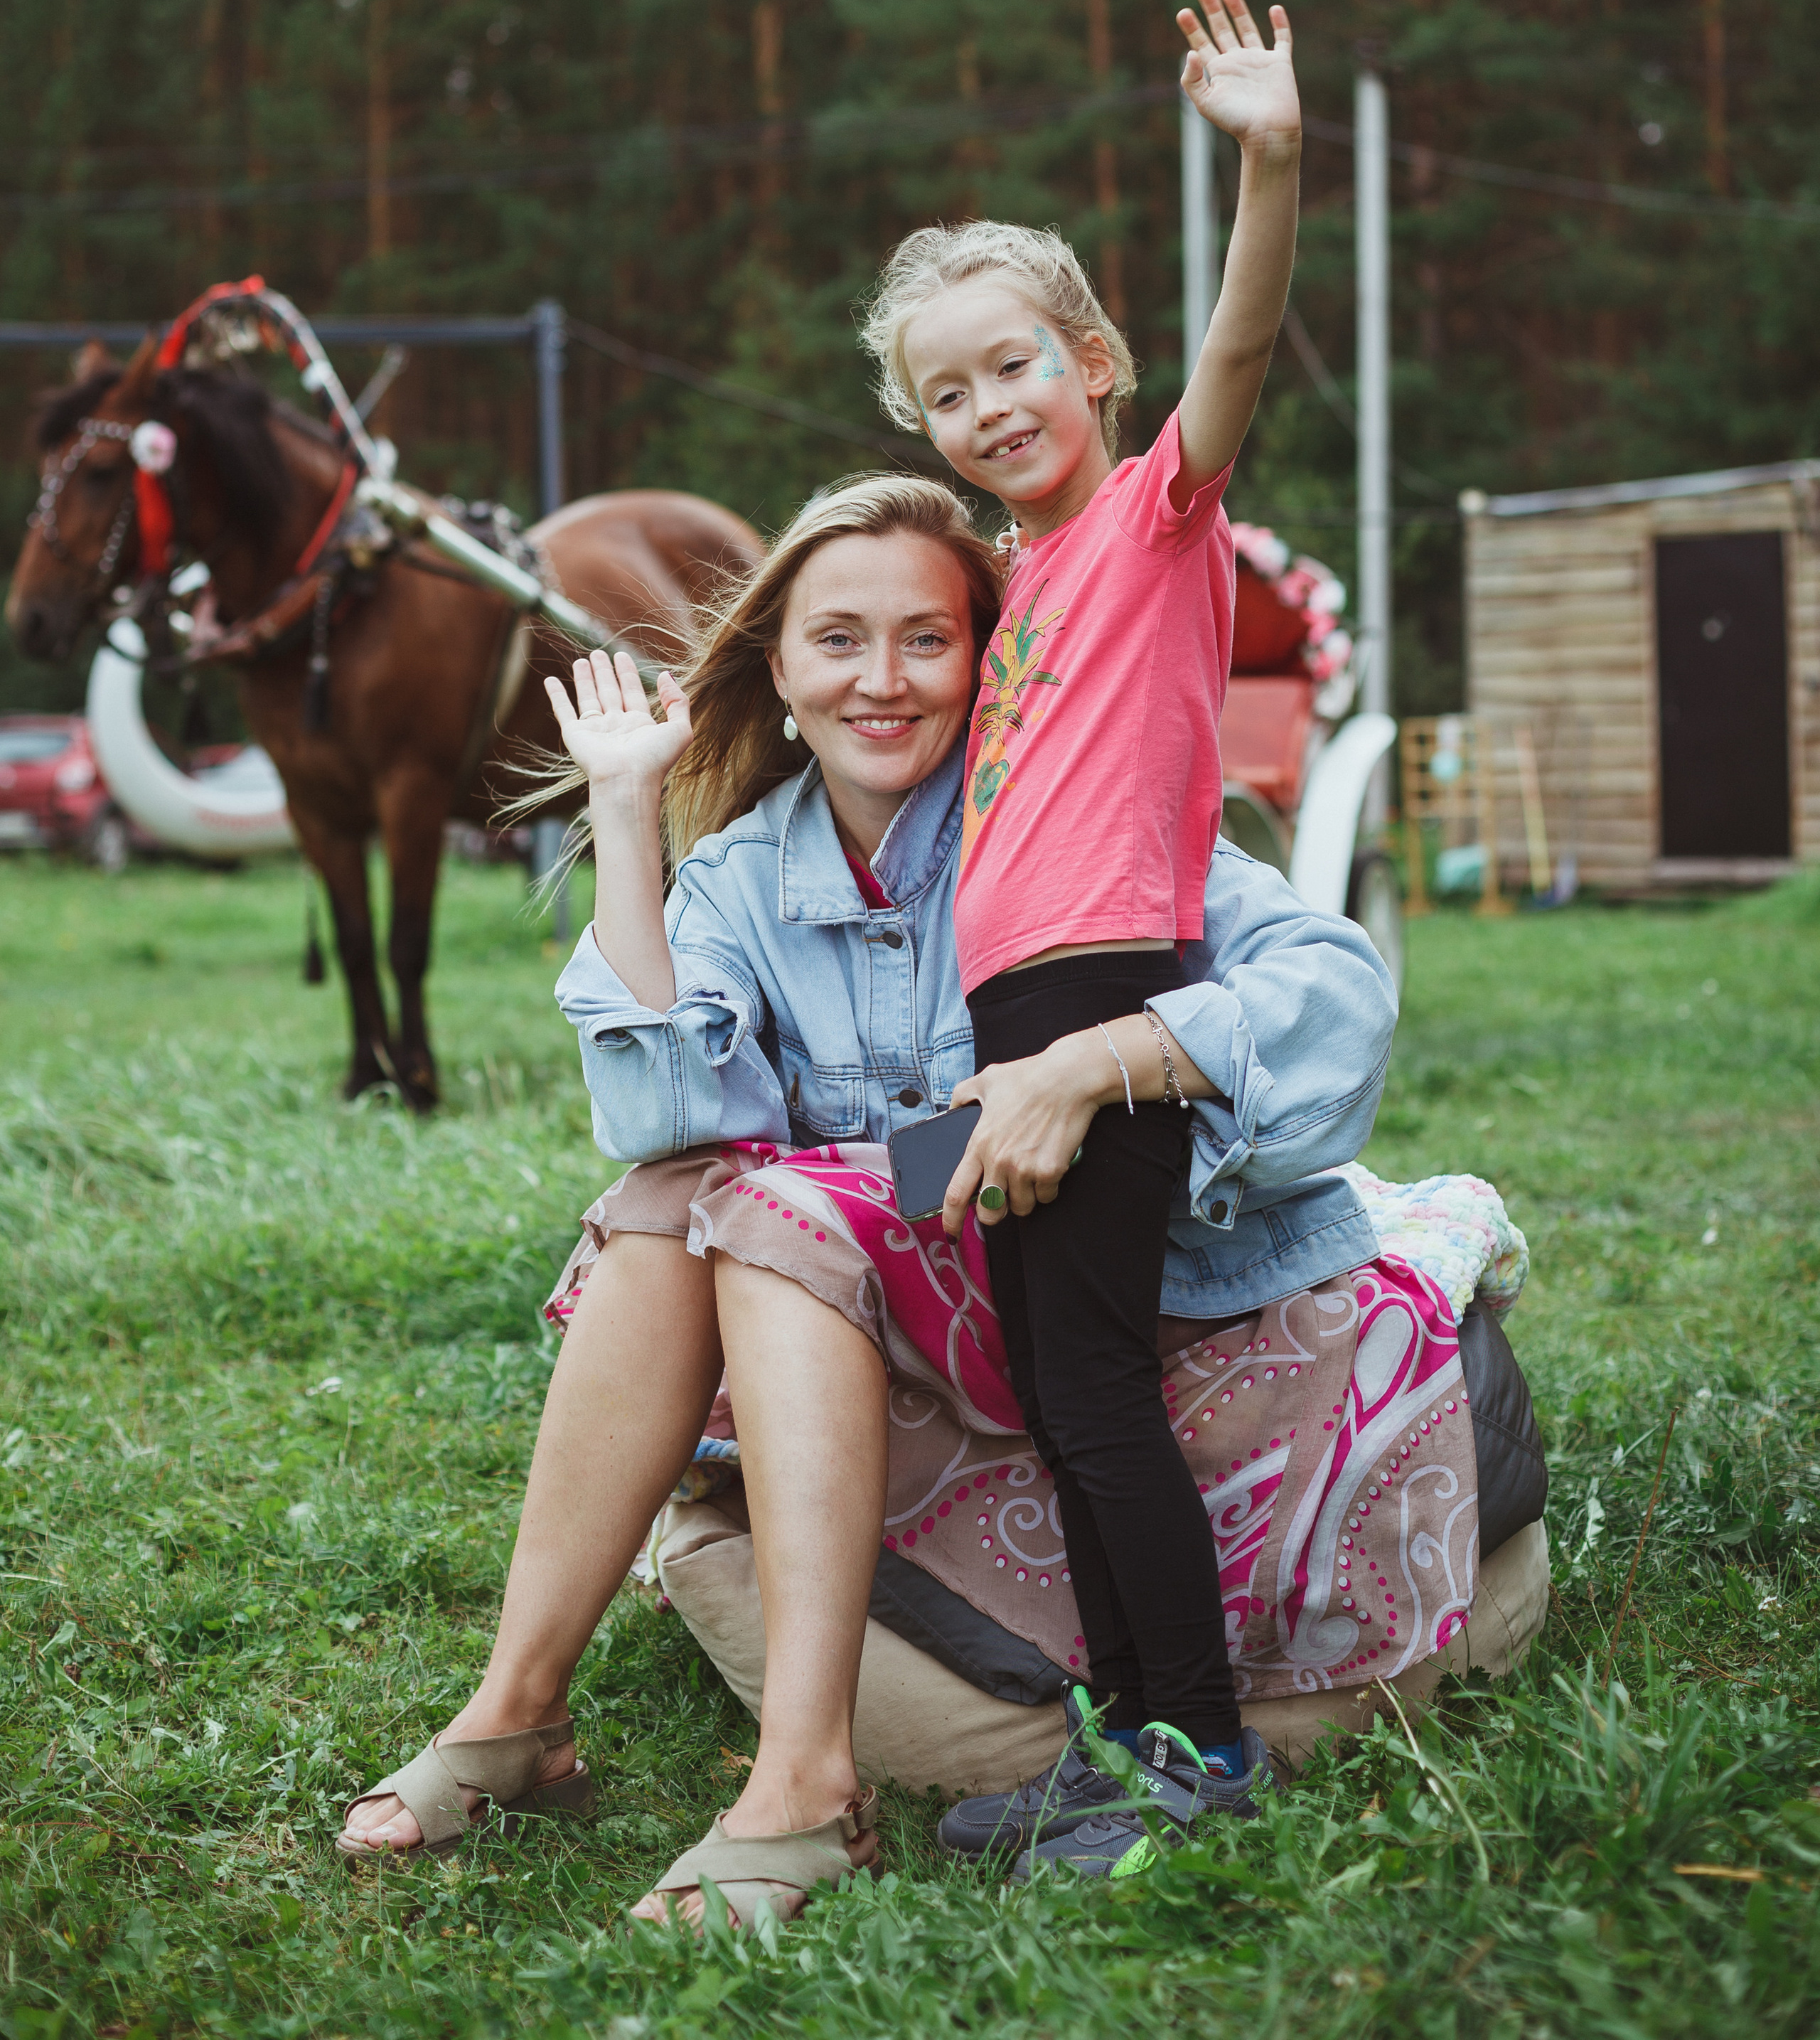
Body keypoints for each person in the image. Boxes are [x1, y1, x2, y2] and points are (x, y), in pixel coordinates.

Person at [333, 476, 1428, 1927]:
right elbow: (662, 1117)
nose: (882, 679)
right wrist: (623, 802)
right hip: (870, 1286)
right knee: (671, 1200)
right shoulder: (735, 875)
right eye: (837, 639)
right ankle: (520, 1707)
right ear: (777, 668)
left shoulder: (1065, 833)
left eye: (926, 639)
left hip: (1086, 1272)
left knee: (768, 1203)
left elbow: (1331, 995)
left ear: (987, 664)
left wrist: (1098, 1064)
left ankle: (801, 1782)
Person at [846, 0, 1302, 1868]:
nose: (987, 407)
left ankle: (1196, 1755)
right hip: (1016, 1010)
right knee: (1056, 1380)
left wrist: (1266, 159)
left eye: (1014, 363)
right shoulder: (1012, 581)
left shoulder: (1151, 516)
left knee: (1097, 1378)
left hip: (1111, 993)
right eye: (948, 393)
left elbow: (1247, 345)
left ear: (1096, 356)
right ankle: (1125, 1735)